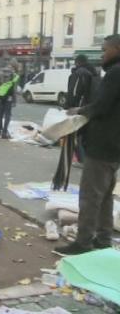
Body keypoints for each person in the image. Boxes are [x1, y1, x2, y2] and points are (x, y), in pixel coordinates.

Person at [54, 35, 120, 255]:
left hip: (102, 144)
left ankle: (83, 242)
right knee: (105, 195)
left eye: (105, 49)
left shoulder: (114, 74)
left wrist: (78, 111)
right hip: (114, 146)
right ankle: (103, 239)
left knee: (91, 196)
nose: (102, 54)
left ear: (117, 49)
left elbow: (101, 106)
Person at [66, 55, 99, 165]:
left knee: (76, 134)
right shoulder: (94, 73)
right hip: (90, 108)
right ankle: (86, 159)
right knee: (85, 135)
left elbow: (74, 92)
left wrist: (69, 107)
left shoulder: (79, 73)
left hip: (79, 108)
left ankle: (81, 160)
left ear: (77, 62)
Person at [0, 59, 20, 139]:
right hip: (9, 97)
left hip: (0, 97)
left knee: (0, 114)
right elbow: (14, 89)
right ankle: (4, 132)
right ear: (15, 66)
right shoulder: (14, 75)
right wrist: (14, 100)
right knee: (7, 115)